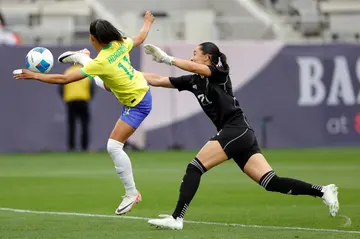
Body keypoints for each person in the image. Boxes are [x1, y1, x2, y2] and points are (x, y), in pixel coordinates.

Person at [141, 43, 339, 230]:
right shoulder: (193, 81)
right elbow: (158, 80)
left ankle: (177, 218)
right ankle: (322, 190)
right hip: (240, 134)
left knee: (195, 167)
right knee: (271, 182)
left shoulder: (219, 74)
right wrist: (125, 75)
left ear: (207, 58)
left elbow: (200, 70)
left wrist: (167, 59)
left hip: (236, 130)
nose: (191, 57)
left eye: (195, 54)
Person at [13, 11, 155, 215]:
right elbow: (141, 37)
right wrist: (147, 22)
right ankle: (82, 57)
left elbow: (63, 80)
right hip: (137, 88)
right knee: (104, 81)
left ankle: (132, 193)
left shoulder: (102, 61)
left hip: (138, 104)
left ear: (93, 39)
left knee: (114, 146)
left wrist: (34, 75)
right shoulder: (121, 43)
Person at [58, 64, 95, 152]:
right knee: (84, 125)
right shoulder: (85, 71)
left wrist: (65, 98)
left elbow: (61, 87)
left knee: (71, 125)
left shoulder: (67, 71)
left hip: (71, 101)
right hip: (83, 101)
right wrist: (89, 97)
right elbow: (91, 87)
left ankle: (71, 147)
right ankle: (84, 147)